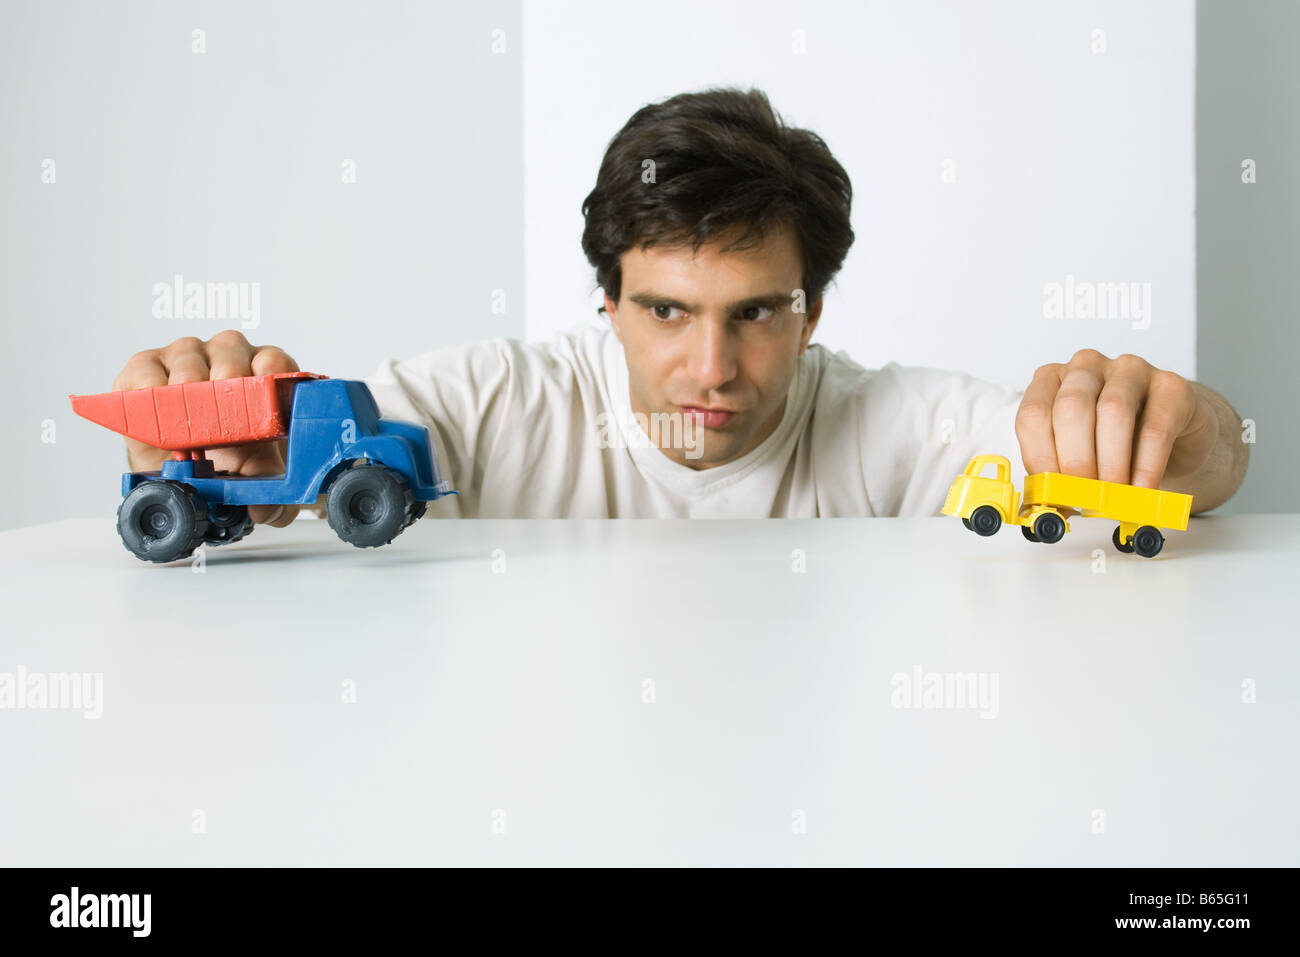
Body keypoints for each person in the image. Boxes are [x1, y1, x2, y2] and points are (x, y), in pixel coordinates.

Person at [111, 88, 1249, 524]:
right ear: (603, 303)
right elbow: (292, 473)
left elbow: (1202, 470)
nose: (711, 368)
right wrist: (227, 432)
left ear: (814, 311)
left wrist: (1178, 431)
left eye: (757, 313)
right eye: (665, 312)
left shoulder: (894, 427)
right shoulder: (491, 403)